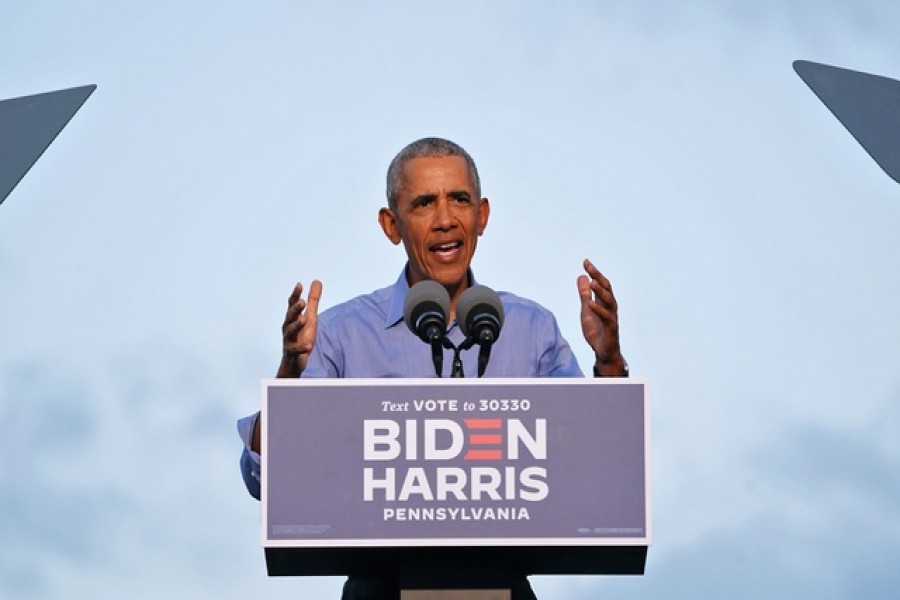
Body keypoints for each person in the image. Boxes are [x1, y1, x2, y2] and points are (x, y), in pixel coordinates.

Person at [237, 137, 628, 600]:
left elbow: (594, 466)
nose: (445, 219)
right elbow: (265, 479)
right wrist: (288, 374)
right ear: (391, 225)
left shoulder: (531, 328)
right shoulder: (340, 333)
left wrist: (608, 364)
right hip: (380, 587)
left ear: (481, 215)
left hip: (500, 585)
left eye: (459, 199)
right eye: (423, 203)